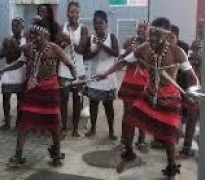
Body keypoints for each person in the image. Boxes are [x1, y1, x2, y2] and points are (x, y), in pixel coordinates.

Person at [94, 17, 200, 179]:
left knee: (169, 137)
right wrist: (106, 74)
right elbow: (123, 62)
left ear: (167, 35)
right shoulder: (144, 48)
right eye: (151, 33)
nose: (152, 37)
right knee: (130, 120)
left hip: (170, 97)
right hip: (149, 94)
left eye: (157, 34)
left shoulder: (177, 52)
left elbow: (192, 77)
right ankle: (129, 154)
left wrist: (194, 96)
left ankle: (171, 168)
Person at [0, 19, 77, 167]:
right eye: (31, 34)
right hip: (33, 90)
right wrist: (4, 69)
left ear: (45, 35)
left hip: (50, 90)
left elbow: (69, 64)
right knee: (24, 122)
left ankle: (57, 154)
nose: (33, 37)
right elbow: (20, 63)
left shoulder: (54, 49)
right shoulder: (28, 49)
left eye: (36, 34)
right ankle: (18, 154)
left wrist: (75, 76)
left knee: (54, 122)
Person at [83, 10, 119, 140]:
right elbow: (85, 56)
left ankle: (111, 131)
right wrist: (95, 50)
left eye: (101, 23)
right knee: (93, 104)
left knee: (108, 105)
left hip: (108, 76)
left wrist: (102, 45)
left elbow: (116, 53)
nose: (98, 26)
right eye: (96, 23)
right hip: (94, 76)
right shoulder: (90, 39)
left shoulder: (112, 37)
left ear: (106, 24)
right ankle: (92, 129)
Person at [115, 21, 150, 152]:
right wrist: (127, 53)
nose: (142, 30)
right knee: (127, 112)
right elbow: (120, 59)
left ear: (149, 30)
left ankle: (141, 141)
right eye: (140, 27)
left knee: (142, 112)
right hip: (130, 80)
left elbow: (151, 64)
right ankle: (124, 141)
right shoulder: (128, 42)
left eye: (145, 28)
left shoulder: (151, 45)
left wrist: (139, 55)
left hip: (145, 82)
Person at [56, 1, 89, 138]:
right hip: (63, 69)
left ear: (79, 13)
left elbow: (81, 49)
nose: (73, 14)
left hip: (79, 70)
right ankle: (63, 127)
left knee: (77, 101)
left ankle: (75, 129)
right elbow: (57, 48)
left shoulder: (84, 29)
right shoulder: (61, 27)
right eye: (71, 11)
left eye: (76, 11)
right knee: (62, 101)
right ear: (67, 13)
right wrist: (63, 43)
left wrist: (68, 39)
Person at [177, 20, 203, 159]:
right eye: (199, 26)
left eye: (202, 27)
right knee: (192, 116)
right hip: (197, 85)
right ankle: (187, 148)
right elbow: (191, 62)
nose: (200, 29)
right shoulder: (195, 43)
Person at [0, 18, 26, 130]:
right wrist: (6, 49)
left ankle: (19, 122)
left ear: (22, 27)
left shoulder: (26, 40)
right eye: (13, 25)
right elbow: (0, 55)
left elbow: (25, 56)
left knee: (20, 98)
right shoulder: (7, 40)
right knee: (6, 97)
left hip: (21, 72)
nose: (15, 28)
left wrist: (17, 48)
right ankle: (7, 122)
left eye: (17, 25)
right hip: (8, 72)